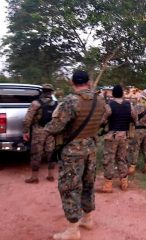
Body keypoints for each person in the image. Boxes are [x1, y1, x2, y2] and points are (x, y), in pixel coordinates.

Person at [44, 70, 106, 240]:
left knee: (70, 187)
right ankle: (88, 219)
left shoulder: (70, 101)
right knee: (88, 183)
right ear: (89, 82)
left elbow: (56, 126)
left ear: (73, 82)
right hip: (91, 149)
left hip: (73, 152)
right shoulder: (100, 101)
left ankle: (72, 231)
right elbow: (104, 119)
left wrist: (45, 129)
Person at [100, 85, 135, 193]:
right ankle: (124, 183)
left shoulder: (109, 105)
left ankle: (108, 185)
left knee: (109, 159)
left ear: (113, 94)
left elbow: (103, 121)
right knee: (122, 159)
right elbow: (134, 118)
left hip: (112, 136)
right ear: (122, 94)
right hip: (124, 136)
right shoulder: (129, 105)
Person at [23, 83, 57, 183]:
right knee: (51, 152)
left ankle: (34, 177)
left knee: (36, 153)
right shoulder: (56, 104)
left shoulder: (36, 103)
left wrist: (26, 131)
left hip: (38, 131)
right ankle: (50, 176)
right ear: (51, 92)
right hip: (51, 131)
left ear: (42, 91)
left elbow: (27, 119)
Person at [129, 89, 146, 175]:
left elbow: (132, 117)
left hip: (138, 130)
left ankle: (132, 168)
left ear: (142, 96)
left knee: (135, 148)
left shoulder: (137, 106)